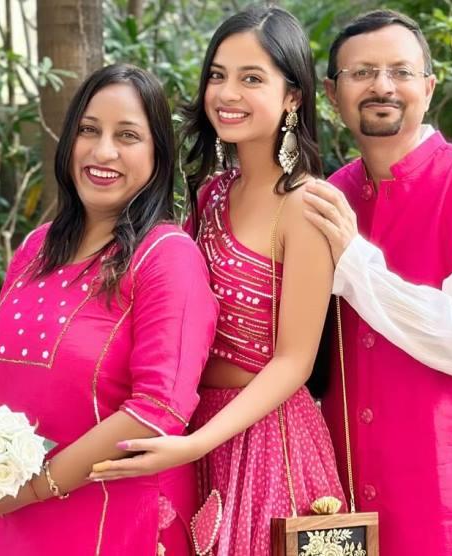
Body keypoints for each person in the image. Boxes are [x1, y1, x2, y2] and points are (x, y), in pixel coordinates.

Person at [90, 7, 346, 555]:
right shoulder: (210, 196)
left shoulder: (307, 204)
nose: (227, 92)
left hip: (270, 444)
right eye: (217, 74)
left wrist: (195, 443)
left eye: (251, 78)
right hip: (193, 433)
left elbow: (294, 361)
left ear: (294, 96)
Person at [0, 64, 218, 555]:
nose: (103, 152)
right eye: (89, 130)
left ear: (158, 155)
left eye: (127, 136)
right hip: (7, 520)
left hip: (112, 522)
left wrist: (32, 489)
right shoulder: (38, 247)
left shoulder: (167, 256)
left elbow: (157, 410)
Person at [301, 10, 452, 556]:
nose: (382, 85)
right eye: (361, 73)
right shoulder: (325, 197)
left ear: (428, 87)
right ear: (333, 94)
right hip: (344, 504)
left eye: (400, 71)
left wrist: (354, 264)